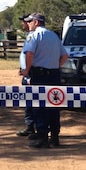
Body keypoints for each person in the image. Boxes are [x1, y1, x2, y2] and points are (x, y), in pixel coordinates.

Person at [18, 12, 68, 148]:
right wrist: (54, 66)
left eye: (30, 22)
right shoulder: (54, 36)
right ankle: (55, 137)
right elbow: (65, 56)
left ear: (36, 22)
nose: (28, 24)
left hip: (39, 75)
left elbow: (29, 54)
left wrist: (26, 71)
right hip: (54, 75)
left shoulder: (34, 36)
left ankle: (42, 138)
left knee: (40, 106)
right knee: (54, 104)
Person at [16, 14, 35, 137]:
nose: (23, 24)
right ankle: (30, 126)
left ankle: (33, 127)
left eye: (25, 22)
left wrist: (28, 73)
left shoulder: (33, 37)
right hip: (27, 72)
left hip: (31, 74)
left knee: (32, 101)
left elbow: (31, 56)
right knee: (28, 101)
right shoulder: (29, 36)